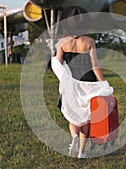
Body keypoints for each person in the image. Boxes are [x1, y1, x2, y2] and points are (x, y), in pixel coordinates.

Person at [51, 6, 112, 158]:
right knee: (86, 118)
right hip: (88, 83)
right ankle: (82, 152)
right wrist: (104, 83)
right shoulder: (90, 41)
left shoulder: (62, 43)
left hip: (72, 83)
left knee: (74, 115)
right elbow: (95, 66)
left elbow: (58, 64)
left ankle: (74, 138)